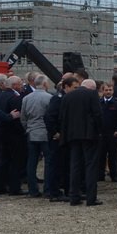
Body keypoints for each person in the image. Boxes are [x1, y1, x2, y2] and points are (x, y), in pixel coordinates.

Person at [61, 78, 103, 206]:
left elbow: (62, 117)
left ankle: (74, 196)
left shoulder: (68, 96)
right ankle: (91, 198)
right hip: (89, 135)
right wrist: (99, 130)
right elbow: (98, 114)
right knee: (90, 166)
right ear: (92, 87)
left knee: (75, 166)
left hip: (73, 136)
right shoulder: (92, 95)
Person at [44, 74, 75, 202]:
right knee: (55, 165)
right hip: (57, 138)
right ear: (66, 87)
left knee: (65, 165)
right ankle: (54, 192)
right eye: (74, 87)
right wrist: (55, 133)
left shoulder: (69, 98)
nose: (76, 90)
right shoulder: (57, 99)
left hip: (67, 137)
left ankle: (68, 191)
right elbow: (49, 117)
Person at [0, 75, 27, 195]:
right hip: (14, 134)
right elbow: (18, 118)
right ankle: (14, 187)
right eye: (20, 83)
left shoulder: (1, 96)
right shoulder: (14, 98)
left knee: (3, 159)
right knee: (15, 161)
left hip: (3, 132)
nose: (22, 85)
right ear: (14, 85)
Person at [21, 75, 53, 198]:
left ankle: (32, 190)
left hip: (31, 132)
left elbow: (23, 118)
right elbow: (51, 117)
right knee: (49, 162)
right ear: (45, 84)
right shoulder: (49, 98)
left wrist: (28, 128)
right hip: (45, 133)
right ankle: (48, 189)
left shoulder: (26, 98)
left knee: (31, 162)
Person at [98, 81, 117, 182]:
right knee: (100, 155)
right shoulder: (99, 102)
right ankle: (100, 174)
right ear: (103, 91)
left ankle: (114, 174)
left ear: (113, 91)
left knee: (113, 156)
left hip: (113, 133)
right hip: (101, 134)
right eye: (106, 90)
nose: (108, 92)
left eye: (110, 90)